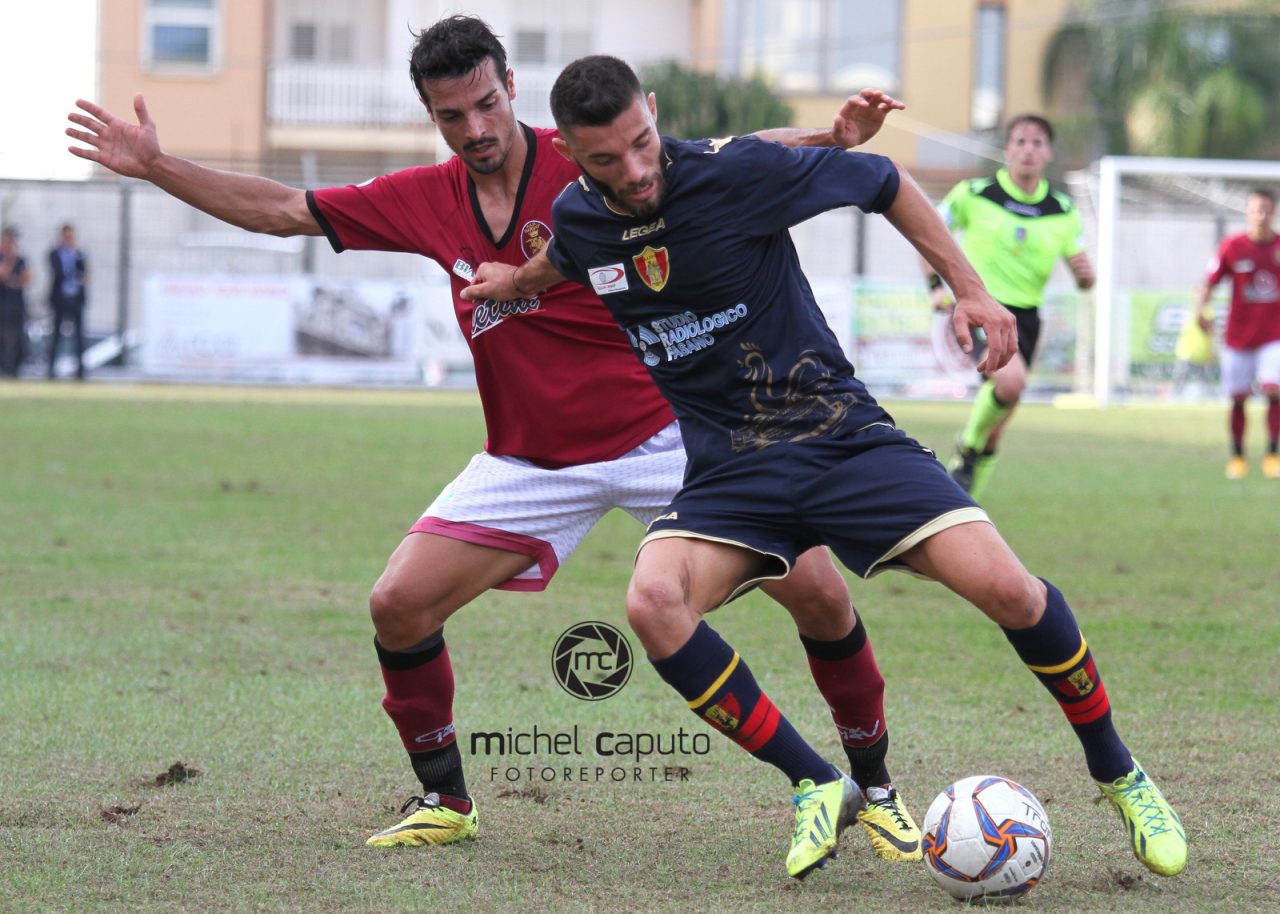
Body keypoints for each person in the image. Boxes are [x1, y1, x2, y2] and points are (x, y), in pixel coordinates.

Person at [66, 16, 924, 864]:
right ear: (431, 117)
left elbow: (710, 154)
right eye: (451, 116)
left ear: (511, 87)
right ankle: (446, 799)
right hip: (530, 460)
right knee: (398, 605)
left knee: (820, 596)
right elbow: (282, 210)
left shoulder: (587, 158)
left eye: (485, 104)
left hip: (667, 440)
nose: (474, 129)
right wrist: (154, 166)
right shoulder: (423, 198)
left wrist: (829, 135)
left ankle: (876, 791)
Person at [468, 54, 1188, 880]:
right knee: (654, 603)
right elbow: (563, 256)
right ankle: (818, 782)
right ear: (568, 152)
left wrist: (972, 291)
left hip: (838, 433)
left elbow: (880, 178)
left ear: (655, 113)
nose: (633, 172)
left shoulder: (734, 174)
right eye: (606, 159)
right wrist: (510, 282)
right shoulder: (578, 215)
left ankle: (1118, 772)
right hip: (729, 471)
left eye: (642, 143)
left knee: (1011, 592)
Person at [929, 114, 1095, 500]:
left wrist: (1087, 277)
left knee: (1002, 415)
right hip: (981, 307)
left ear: (1049, 153)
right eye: (1020, 141)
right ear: (1007, 151)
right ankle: (966, 448)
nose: (1028, 150)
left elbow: (1083, 276)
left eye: (1037, 143)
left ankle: (968, 502)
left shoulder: (1063, 210)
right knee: (1011, 382)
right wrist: (934, 286)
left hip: (1028, 318)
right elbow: (927, 231)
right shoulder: (974, 194)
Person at [1195, 188, 1280, 479]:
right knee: (1238, 398)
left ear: (1274, 213)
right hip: (1239, 336)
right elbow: (1208, 283)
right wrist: (1200, 312)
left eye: (1267, 209)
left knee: (1273, 389)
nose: (1261, 215)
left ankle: (1271, 454)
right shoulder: (1232, 246)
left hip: (1274, 335)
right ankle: (1238, 457)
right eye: (1256, 209)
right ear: (1248, 213)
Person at [46, 223, 89, 379]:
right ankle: (51, 369)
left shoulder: (79, 253)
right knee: (56, 334)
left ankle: (80, 371)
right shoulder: (54, 253)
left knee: (79, 335)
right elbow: (57, 273)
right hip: (60, 299)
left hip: (76, 299)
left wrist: (77, 255)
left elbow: (84, 273)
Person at [0, 226, 33, 377]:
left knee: (17, 335)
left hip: (17, 302)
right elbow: (3, 275)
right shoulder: (4, 258)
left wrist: (14, 281)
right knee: (4, 335)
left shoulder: (21, 259)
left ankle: (15, 367)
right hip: (3, 301)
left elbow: (27, 279)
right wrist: (9, 259)